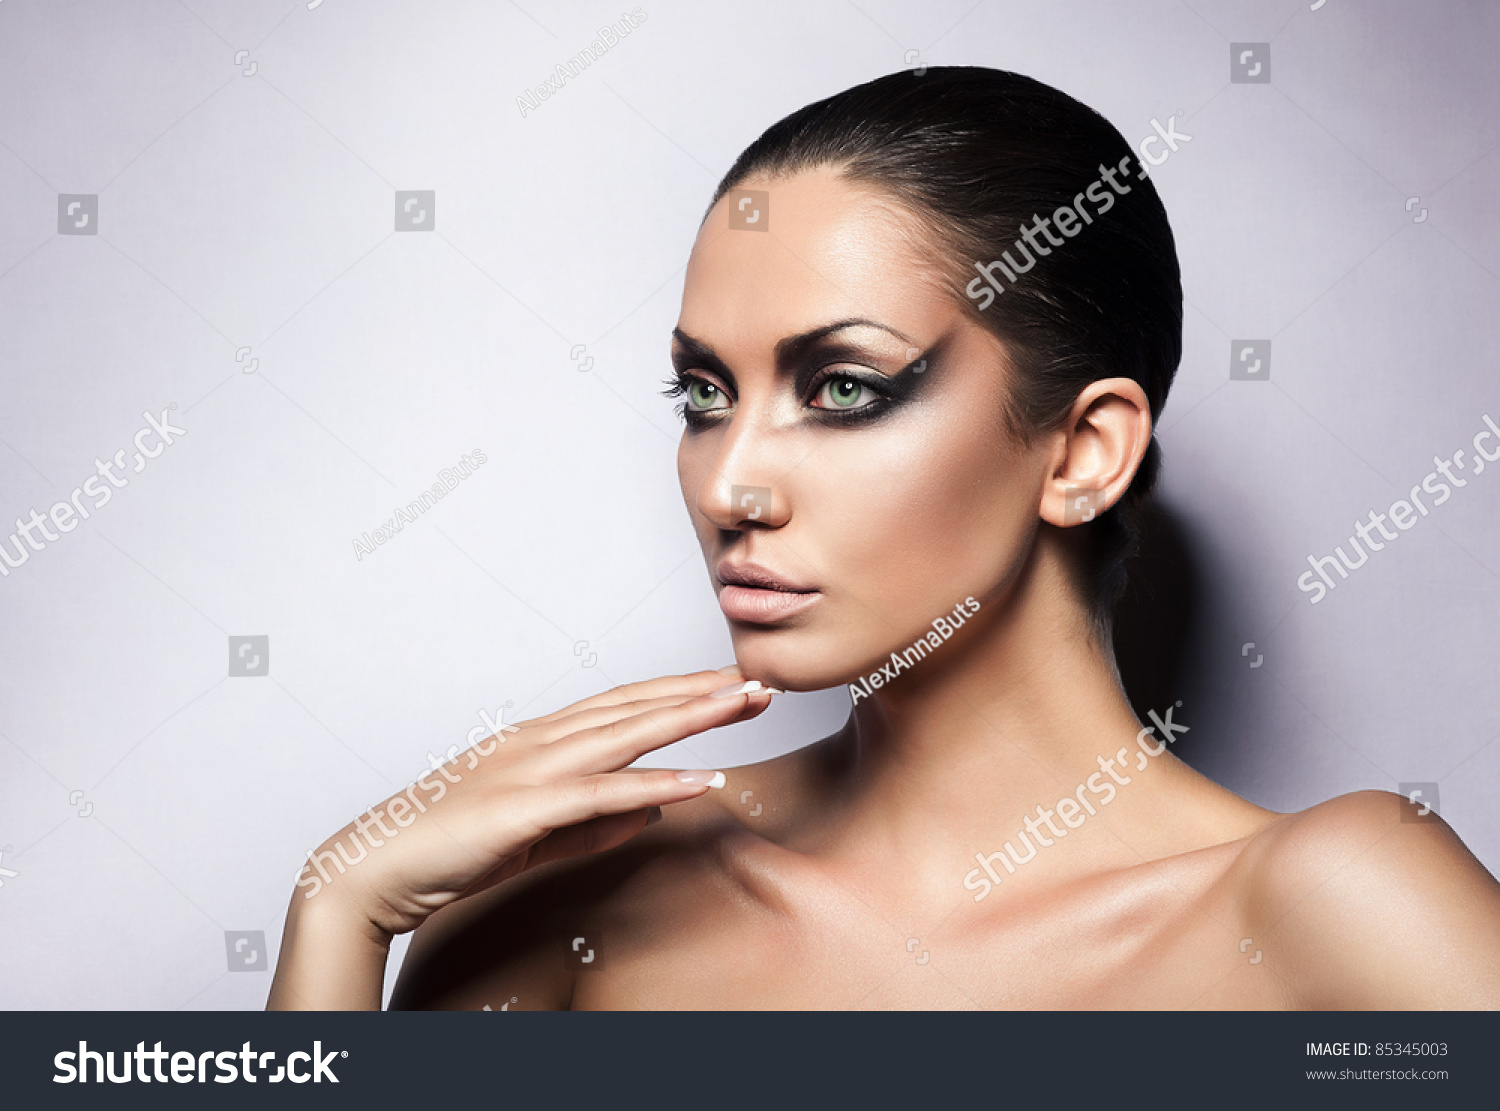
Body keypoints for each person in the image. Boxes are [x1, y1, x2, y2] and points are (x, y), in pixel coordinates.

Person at [268, 67, 1500, 1010]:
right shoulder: (568, 898)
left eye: (843, 388)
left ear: (1080, 454)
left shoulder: (1337, 907)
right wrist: (336, 914)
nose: (729, 483)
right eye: (704, 396)